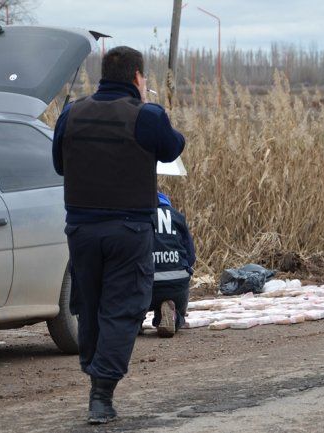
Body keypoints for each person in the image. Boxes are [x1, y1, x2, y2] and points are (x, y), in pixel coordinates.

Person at [52, 46, 185, 424]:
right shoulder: (147, 115)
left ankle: (94, 370)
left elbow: (59, 163)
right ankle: (101, 393)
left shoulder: (71, 113)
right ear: (137, 77)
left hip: (81, 229)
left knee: (90, 304)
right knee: (123, 307)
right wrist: (148, 105)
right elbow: (173, 147)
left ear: (102, 76)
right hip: (128, 229)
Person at [147, 191, 195, 338]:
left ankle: (135, 323)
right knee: (178, 308)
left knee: (132, 308)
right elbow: (191, 255)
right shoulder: (177, 216)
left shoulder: (139, 217)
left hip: (146, 285)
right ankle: (172, 316)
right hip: (176, 284)